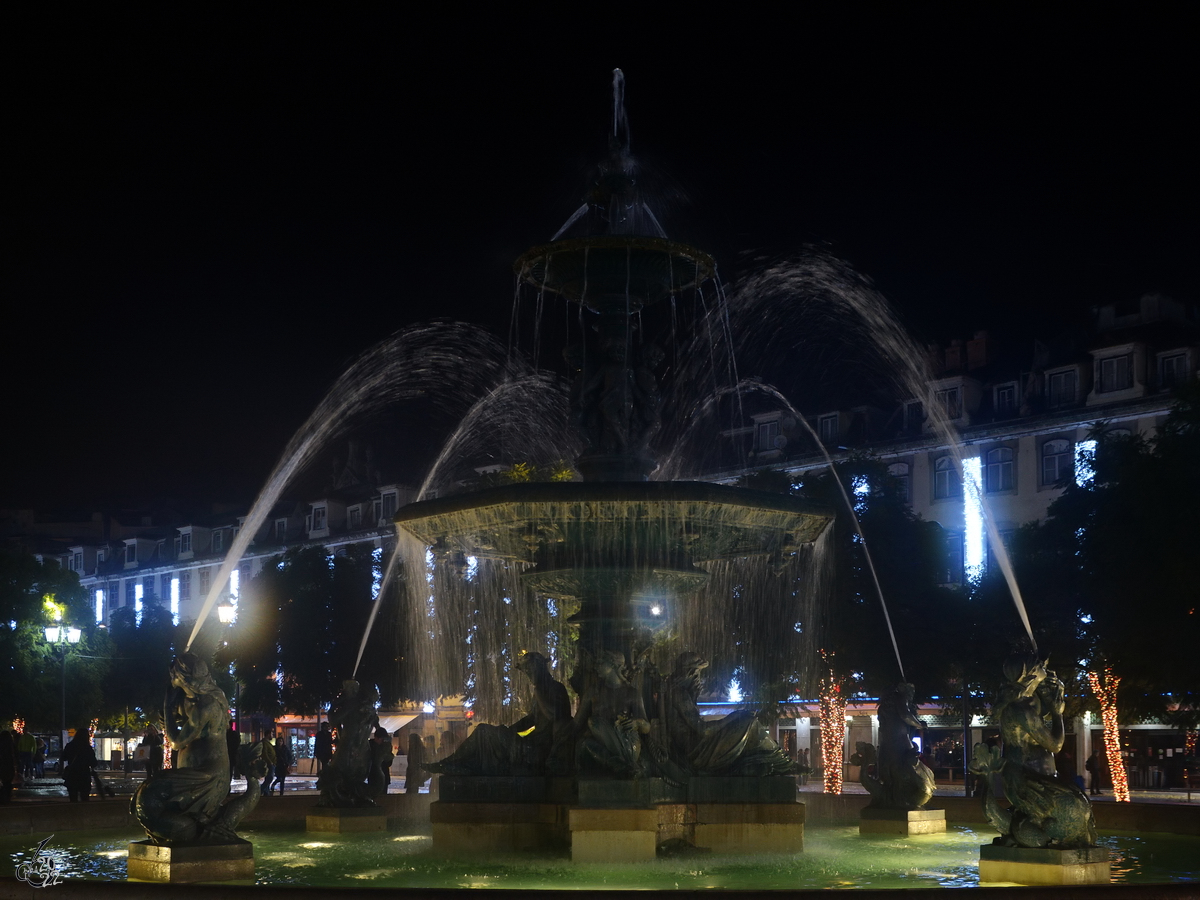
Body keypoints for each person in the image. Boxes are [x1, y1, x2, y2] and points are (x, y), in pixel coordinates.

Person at [61, 729, 97, 802]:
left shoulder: (70, 745)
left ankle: (74, 811)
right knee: (84, 798)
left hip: (72, 774)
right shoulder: (87, 748)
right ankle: (83, 812)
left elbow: (63, 758)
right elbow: (93, 763)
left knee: (73, 797)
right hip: (84, 775)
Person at [0, 730, 16, 803]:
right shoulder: (11, 745)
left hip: (2, 764)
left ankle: (3, 796)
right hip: (9, 765)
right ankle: (7, 796)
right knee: (7, 782)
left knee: (4, 781)